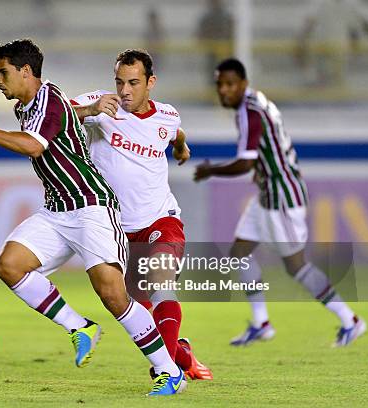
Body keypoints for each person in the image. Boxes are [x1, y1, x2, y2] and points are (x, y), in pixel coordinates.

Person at [0, 38, 186, 396]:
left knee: (113, 294)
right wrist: (91, 109)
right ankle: (80, 328)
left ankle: (168, 371)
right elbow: (65, 115)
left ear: (25, 71)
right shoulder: (28, 106)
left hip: (92, 206)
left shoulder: (47, 97)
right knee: (10, 265)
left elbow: (34, 144)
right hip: (57, 209)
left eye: (3, 73)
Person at [193, 58, 366, 347]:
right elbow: (266, 152)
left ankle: (350, 319)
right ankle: (261, 323)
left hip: (282, 198)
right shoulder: (255, 103)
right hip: (267, 193)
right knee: (239, 252)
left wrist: (211, 170)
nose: (223, 90)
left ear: (243, 85)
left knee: (296, 266)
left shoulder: (250, 113)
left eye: (229, 84)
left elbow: (245, 164)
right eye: (219, 85)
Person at [70, 49, 212, 381]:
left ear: (151, 82)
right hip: (117, 231)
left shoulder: (166, 115)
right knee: (136, 312)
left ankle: (169, 370)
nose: (125, 91)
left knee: (162, 285)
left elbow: (176, 132)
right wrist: (89, 110)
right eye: (119, 82)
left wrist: (181, 148)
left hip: (162, 221)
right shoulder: (100, 104)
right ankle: (182, 356)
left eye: (133, 83)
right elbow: (56, 115)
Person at [297, 0, 368, 86]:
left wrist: (301, 47)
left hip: (326, 52)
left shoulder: (323, 6)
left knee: (326, 81)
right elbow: (364, 25)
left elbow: (307, 28)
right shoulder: (346, 8)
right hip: (334, 53)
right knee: (333, 82)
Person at [195, 0, 234, 85]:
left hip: (227, 55)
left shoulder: (227, 18)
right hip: (212, 56)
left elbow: (232, 34)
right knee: (213, 80)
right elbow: (200, 36)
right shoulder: (206, 18)